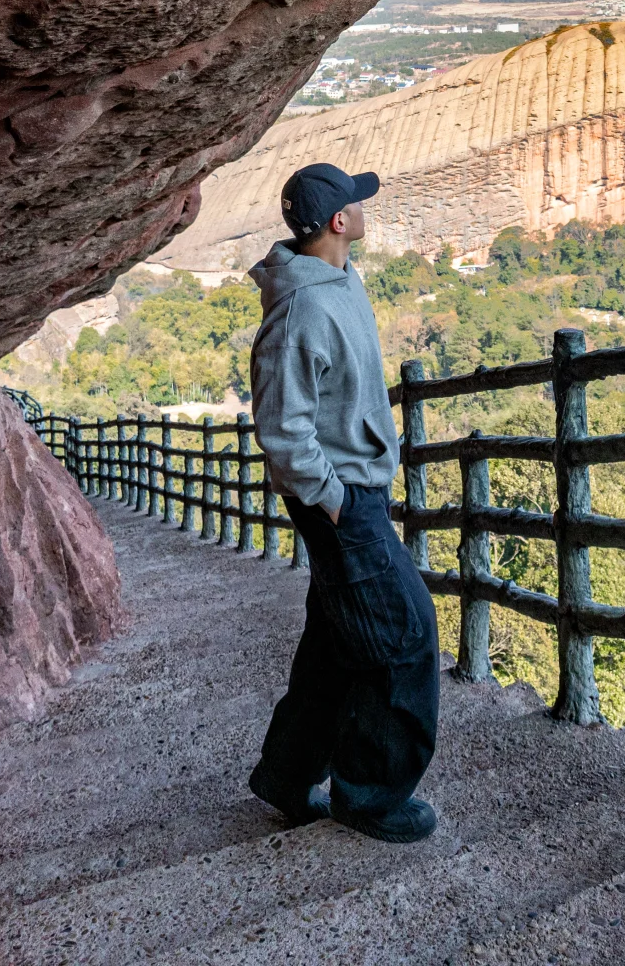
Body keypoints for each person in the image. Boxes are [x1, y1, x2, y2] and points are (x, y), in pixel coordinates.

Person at [246, 162, 440, 843]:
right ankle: (371, 799)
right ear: (338, 222)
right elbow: (281, 429)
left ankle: (285, 776)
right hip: (342, 499)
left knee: (338, 642)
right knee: (405, 641)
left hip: (355, 490)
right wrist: (334, 502)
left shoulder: (337, 278)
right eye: (355, 203)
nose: (363, 208)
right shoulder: (303, 309)